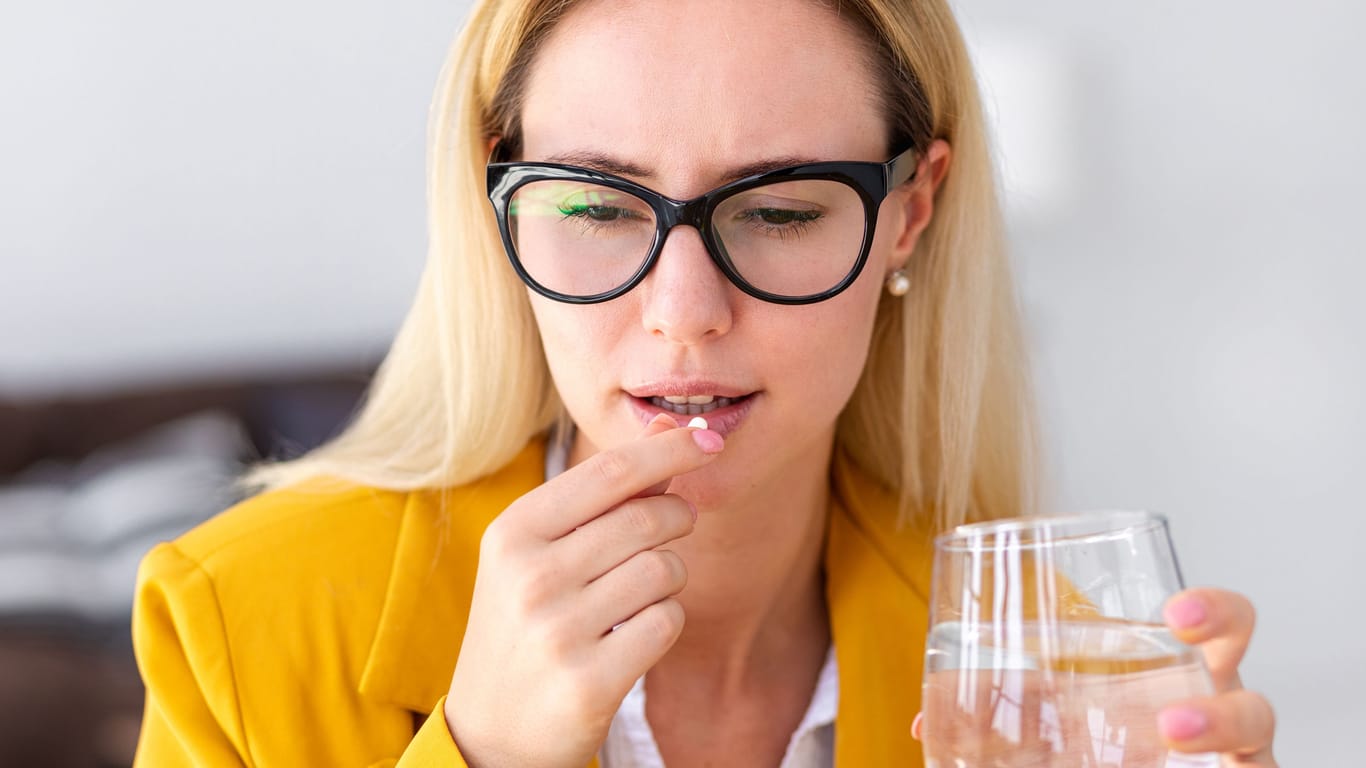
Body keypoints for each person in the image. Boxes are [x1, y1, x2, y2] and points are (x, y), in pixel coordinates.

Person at [130, 0, 1279, 766]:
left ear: (907, 216)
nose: (683, 311)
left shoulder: (1039, 679)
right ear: (500, 203)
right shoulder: (241, 623)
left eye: (778, 211)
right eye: (594, 206)